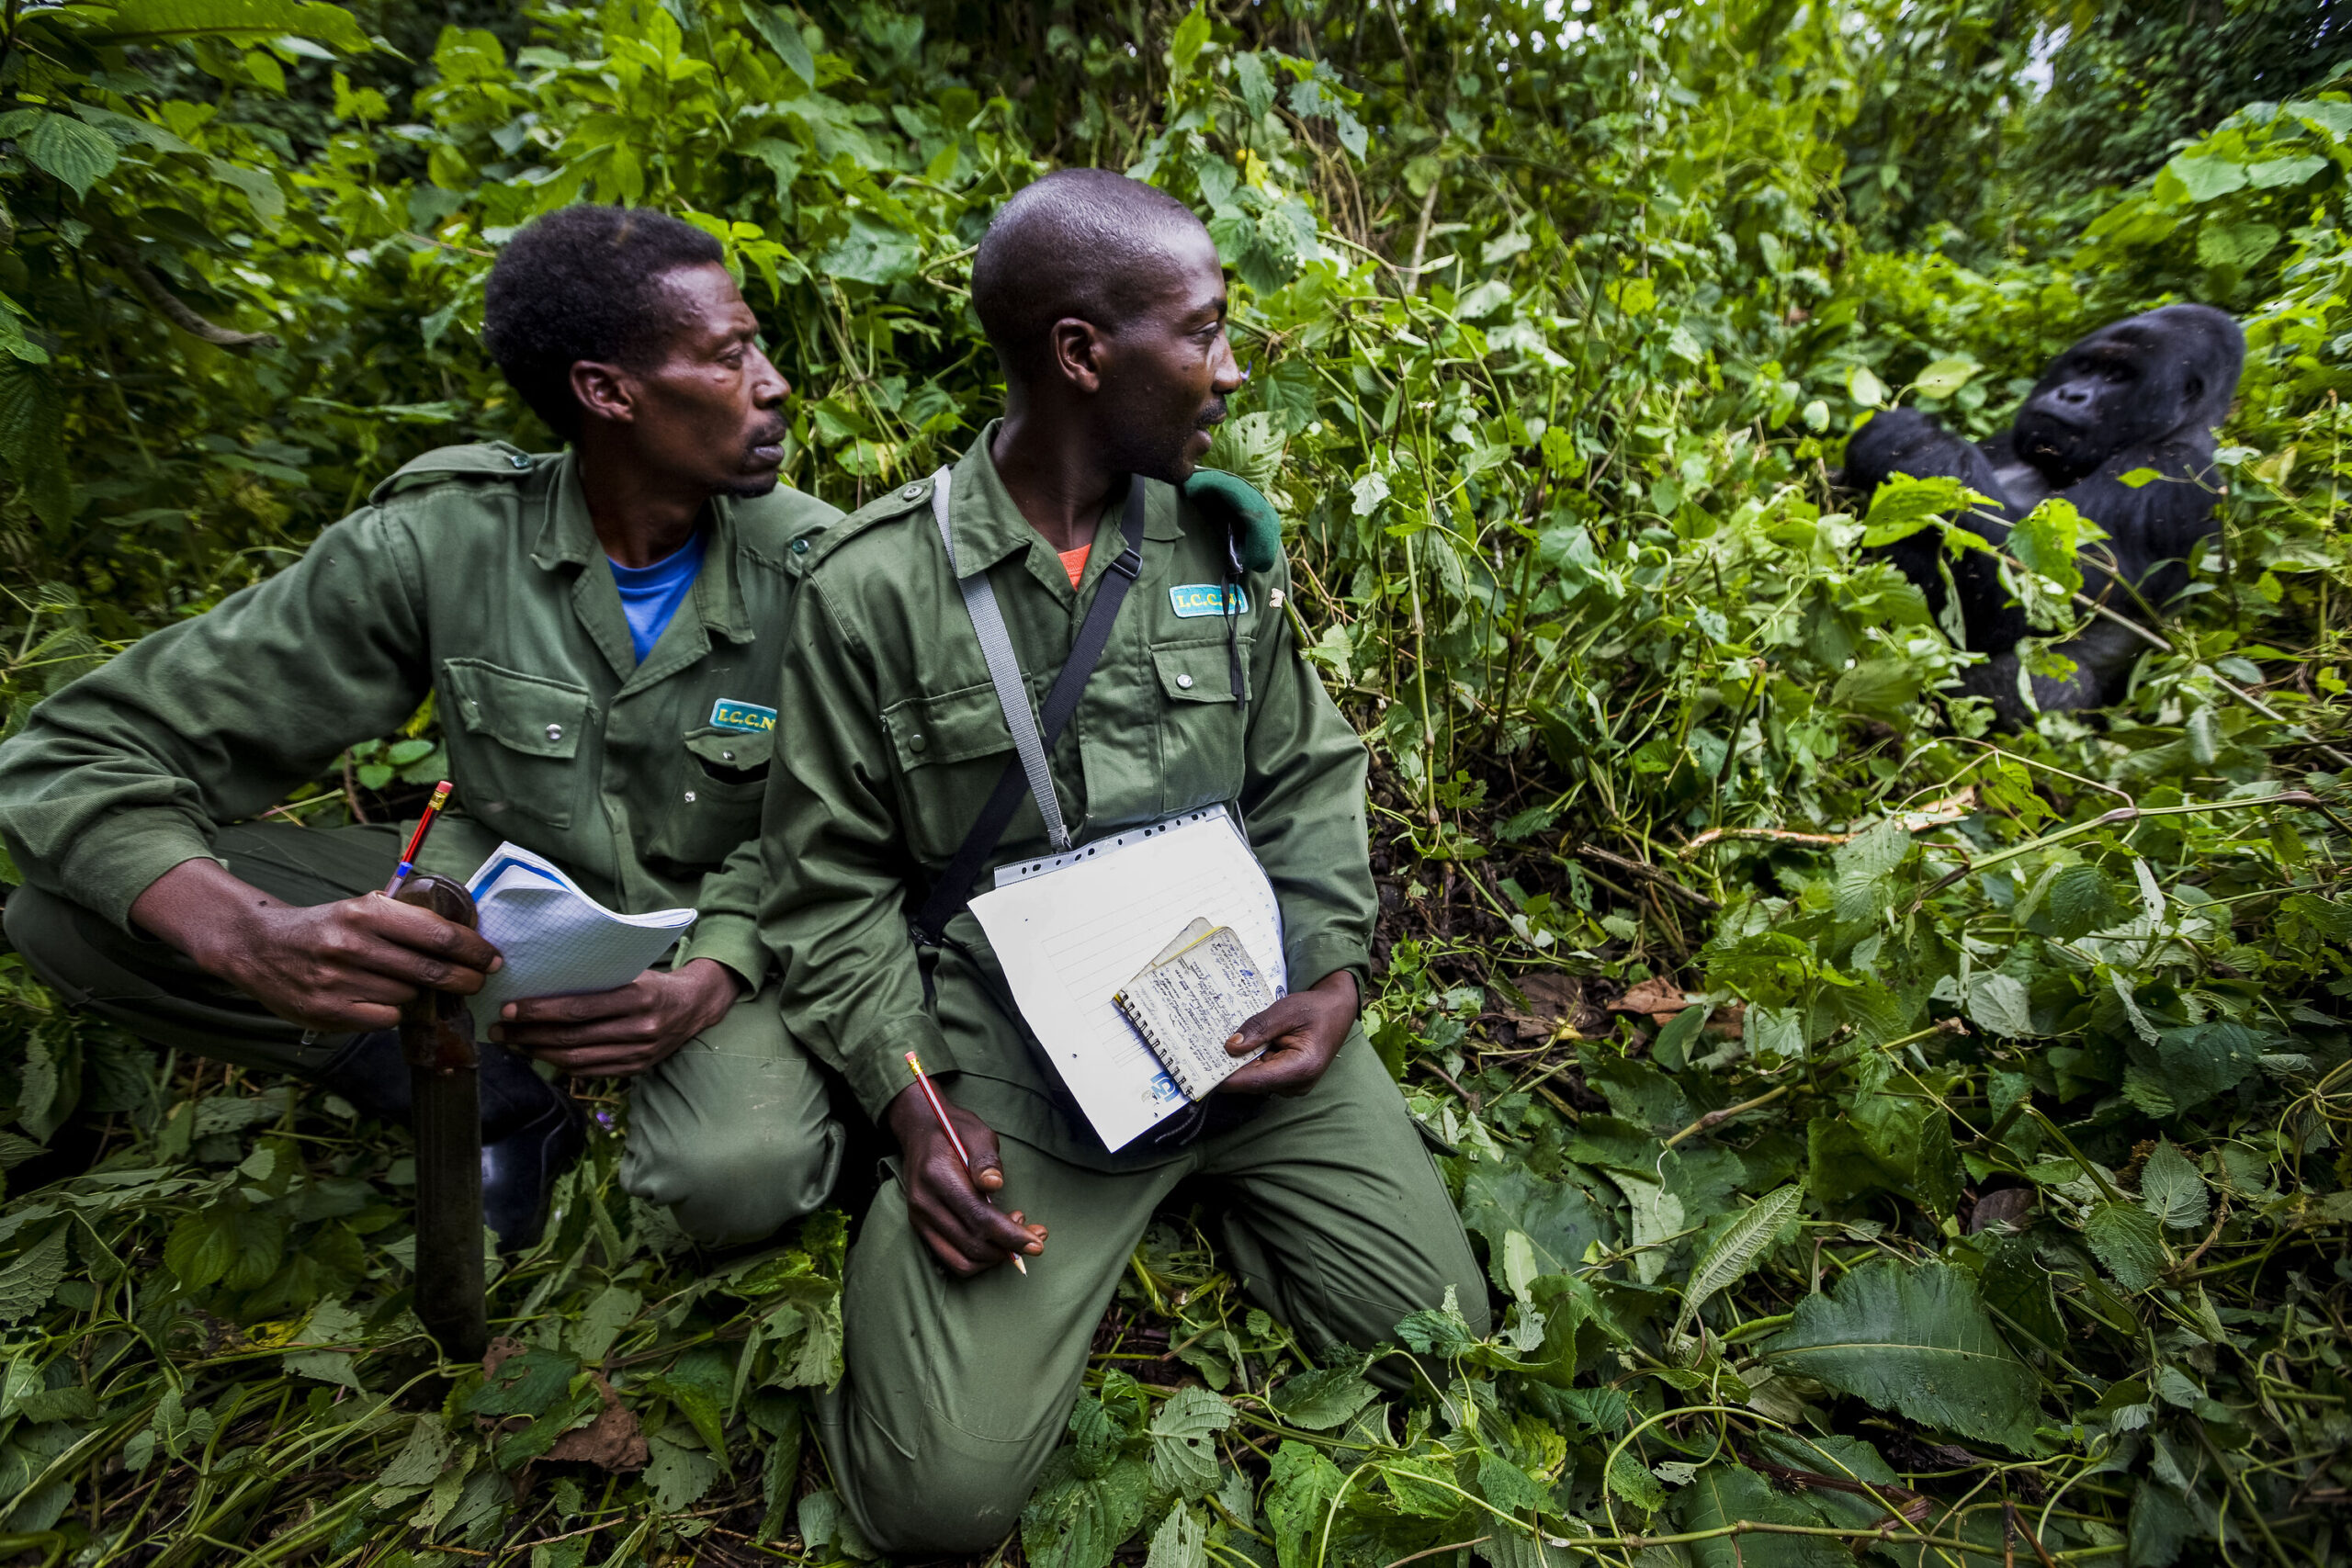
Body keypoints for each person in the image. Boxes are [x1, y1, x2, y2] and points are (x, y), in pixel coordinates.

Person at [759, 169, 1488, 1554]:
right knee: (938, 1503)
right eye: (1202, 331)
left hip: (1236, 1012)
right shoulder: (874, 589)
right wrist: (912, 1098)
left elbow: (1306, 768)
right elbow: (827, 882)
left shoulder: (1217, 539)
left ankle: (1205, 1185)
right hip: (1019, 1050)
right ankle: (1046, 1222)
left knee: (1441, 1341)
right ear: (1083, 355)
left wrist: (1331, 973)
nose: (1230, 366)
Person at [0, 205, 843, 1249]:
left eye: (756, 344)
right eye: (728, 356)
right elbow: (69, 758)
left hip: (709, 933)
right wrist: (256, 936)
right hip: (493, 930)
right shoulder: (443, 541)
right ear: (607, 393)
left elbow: (847, 831)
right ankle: (486, 1094)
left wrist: (713, 972)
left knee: (730, 1187)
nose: (772, 383)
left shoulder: (823, 572)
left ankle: (617, 1077)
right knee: (71, 913)